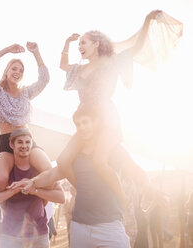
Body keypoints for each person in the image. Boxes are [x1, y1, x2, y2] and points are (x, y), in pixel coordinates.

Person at [57, 10, 183, 207]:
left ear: (96, 44)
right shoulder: (79, 69)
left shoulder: (111, 63)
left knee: (100, 161)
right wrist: (67, 43)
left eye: (84, 42)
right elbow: (63, 64)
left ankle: (123, 201)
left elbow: (136, 47)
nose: (80, 46)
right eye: (79, 43)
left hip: (106, 119)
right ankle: (87, 192)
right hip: (85, 121)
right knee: (63, 161)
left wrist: (147, 21)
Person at [9, 104, 159, 248]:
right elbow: (53, 174)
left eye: (85, 122)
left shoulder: (113, 150)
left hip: (110, 225)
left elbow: (135, 169)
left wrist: (148, 185)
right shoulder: (75, 156)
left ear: (95, 123)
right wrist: (32, 182)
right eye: (78, 124)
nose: (82, 127)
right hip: (80, 226)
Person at [0, 42, 52, 192]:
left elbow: (44, 79)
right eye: (14, 68)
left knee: (48, 171)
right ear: (6, 71)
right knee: (1, 178)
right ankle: (5, 212)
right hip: (6, 141)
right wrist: (7, 50)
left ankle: (40, 210)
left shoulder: (26, 92)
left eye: (20, 70)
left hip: (27, 140)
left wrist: (36, 53)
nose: (17, 72)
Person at [0, 128, 65, 248]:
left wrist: (34, 190)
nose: (24, 146)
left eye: (27, 142)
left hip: (39, 235)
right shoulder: (6, 172)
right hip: (10, 235)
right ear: (12, 144)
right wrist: (14, 190)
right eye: (20, 142)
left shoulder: (40, 172)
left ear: (32, 145)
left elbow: (61, 197)